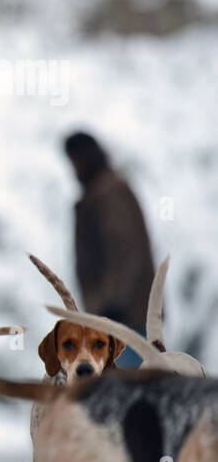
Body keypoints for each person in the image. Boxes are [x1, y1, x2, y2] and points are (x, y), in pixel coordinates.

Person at [65, 131, 153, 368]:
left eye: (74, 160)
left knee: (130, 389)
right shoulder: (103, 192)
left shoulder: (108, 194)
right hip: (124, 315)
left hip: (125, 317)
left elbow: (124, 251)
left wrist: (112, 304)